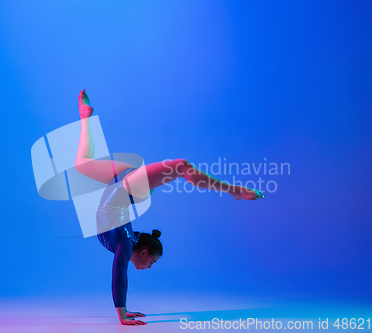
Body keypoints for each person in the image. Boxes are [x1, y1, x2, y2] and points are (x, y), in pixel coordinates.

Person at [74, 89, 264, 326]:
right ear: (143, 252)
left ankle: (85, 117)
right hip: (128, 188)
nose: (148, 267)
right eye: (151, 262)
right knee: (181, 166)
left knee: (81, 164)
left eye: (151, 263)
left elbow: (119, 274)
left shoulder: (125, 242)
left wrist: (123, 313)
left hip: (119, 185)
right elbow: (119, 276)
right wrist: (122, 314)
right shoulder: (124, 241)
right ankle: (235, 191)